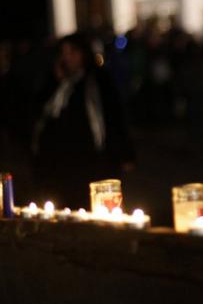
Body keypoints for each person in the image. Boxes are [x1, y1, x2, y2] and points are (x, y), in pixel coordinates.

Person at [31, 33, 136, 209]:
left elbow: (114, 117)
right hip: (61, 161)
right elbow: (40, 114)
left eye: (72, 52)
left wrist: (125, 153)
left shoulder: (98, 80)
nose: (67, 58)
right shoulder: (57, 82)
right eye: (63, 53)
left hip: (91, 157)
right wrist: (55, 81)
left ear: (83, 54)